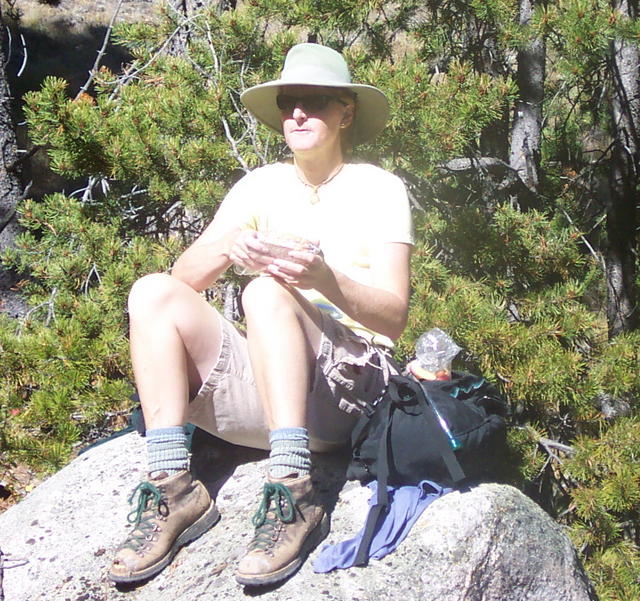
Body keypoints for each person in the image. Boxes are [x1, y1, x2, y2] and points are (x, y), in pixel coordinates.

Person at [108, 42, 413, 587]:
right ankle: (173, 485)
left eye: (315, 101)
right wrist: (233, 243)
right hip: (270, 389)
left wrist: (323, 278)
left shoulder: (381, 189)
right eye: (289, 101)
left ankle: (295, 487)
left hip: (350, 389)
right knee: (151, 292)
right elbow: (183, 280)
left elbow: (392, 318)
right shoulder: (260, 185)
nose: (298, 113)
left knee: (267, 291)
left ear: (346, 113)